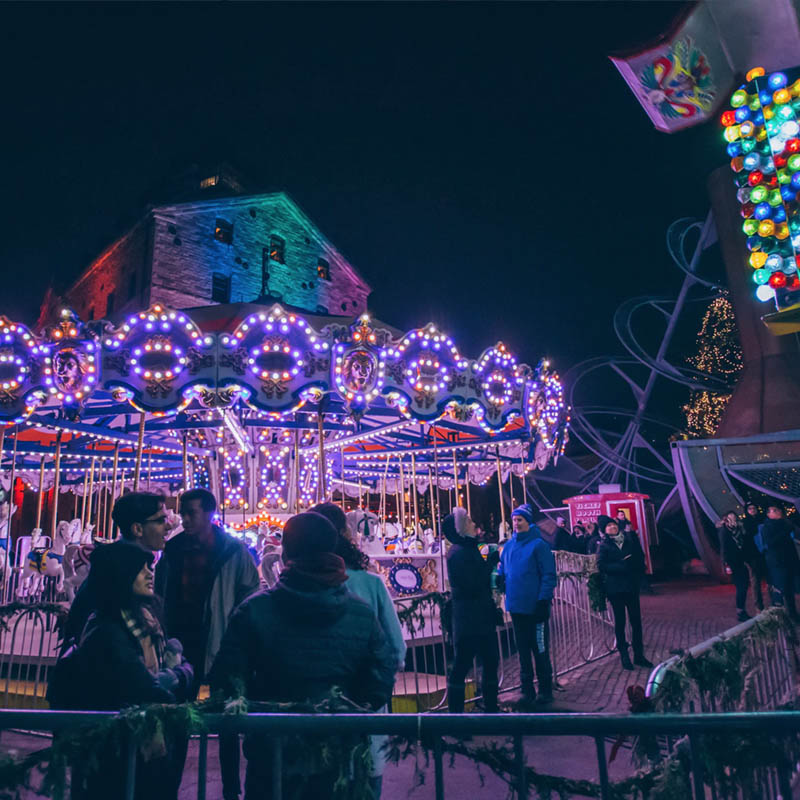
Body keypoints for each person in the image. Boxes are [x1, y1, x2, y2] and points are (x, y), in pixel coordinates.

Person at [208, 512, 397, 800]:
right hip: (341, 751)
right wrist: (351, 706)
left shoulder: (254, 610)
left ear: (285, 553)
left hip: (273, 753)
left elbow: (228, 678)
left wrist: (259, 705)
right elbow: (382, 672)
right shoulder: (361, 613)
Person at [49, 544, 194, 800]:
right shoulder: (108, 633)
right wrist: (181, 674)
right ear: (122, 575)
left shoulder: (142, 621)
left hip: (134, 747)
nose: (150, 574)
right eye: (141, 569)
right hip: (116, 750)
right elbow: (149, 691)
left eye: (150, 567)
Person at [154, 488, 260, 800]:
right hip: (181, 642)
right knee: (176, 718)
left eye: (191, 513)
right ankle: (168, 786)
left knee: (227, 719)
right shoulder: (172, 551)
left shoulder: (232, 551)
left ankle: (231, 790)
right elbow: (159, 594)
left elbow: (249, 592)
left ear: (209, 514)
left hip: (222, 642)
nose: (184, 519)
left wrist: (238, 632)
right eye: (182, 512)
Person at [311, 502, 406, 799]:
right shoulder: (371, 584)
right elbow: (396, 649)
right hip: (365, 706)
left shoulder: (299, 587)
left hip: (315, 712)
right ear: (346, 532)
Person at [62, 491, 170, 652]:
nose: (168, 526)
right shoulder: (113, 578)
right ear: (138, 529)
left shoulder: (132, 569)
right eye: (161, 520)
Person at [496, 503, 557, 707]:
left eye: (519, 520)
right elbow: (503, 569)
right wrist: (500, 579)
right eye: (514, 520)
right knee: (522, 649)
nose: (516, 523)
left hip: (536, 607)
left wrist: (543, 599)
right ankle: (527, 688)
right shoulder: (509, 547)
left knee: (539, 647)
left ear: (527, 522)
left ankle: (545, 689)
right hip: (517, 606)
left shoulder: (539, 546)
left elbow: (549, 575)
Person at [442, 506, 501, 714]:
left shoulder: (469, 549)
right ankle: (458, 717)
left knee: (489, 661)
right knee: (462, 666)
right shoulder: (459, 553)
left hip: (477, 615)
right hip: (469, 617)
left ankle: (491, 708)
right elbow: (472, 583)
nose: (473, 522)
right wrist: (490, 565)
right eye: (468, 520)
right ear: (460, 529)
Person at [596, 515, 652, 670]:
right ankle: (624, 656)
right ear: (604, 531)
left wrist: (636, 571)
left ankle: (639, 655)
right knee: (620, 623)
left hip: (631, 586)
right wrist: (621, 565)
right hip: (615, 589)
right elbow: (601, 565)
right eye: (608, 527)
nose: (612, 528)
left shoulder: (630, 541)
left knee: (636, 622)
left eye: (613, 525)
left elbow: (640, 558)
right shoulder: (603, 546)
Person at [758, 504, 800, 621]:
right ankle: (778, 617)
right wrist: (785, 532)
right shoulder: (767, 527)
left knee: (789, 589)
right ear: (769, 514)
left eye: (778, 510)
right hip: (777, 562)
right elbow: (770, 543)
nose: (778, 513)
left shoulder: (786, 524)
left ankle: (792, 613)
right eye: (774, 511)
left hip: (789, 560)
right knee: (779, 589)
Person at [716, 510, 760, 621]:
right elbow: (724, 548)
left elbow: (745, 542)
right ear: (725, 519)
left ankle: (741, 610)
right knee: (741, 585)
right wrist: (726, 564)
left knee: (743, 585)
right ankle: (740, 611)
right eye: (730, 517)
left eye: (734, 517)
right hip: (733, 562)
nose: (733, 519)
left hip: (741, 561)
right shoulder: (724, 531)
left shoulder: (740, 529)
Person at [742, 502, 767, 610]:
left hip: (764, 554)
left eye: (754, 508)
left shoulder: (762, 520)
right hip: (752, 555)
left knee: (769, 579)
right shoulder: (745, 523)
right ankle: (759, 607)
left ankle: (775, 604)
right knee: (755, 581)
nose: (752, 510)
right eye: (750, 509)